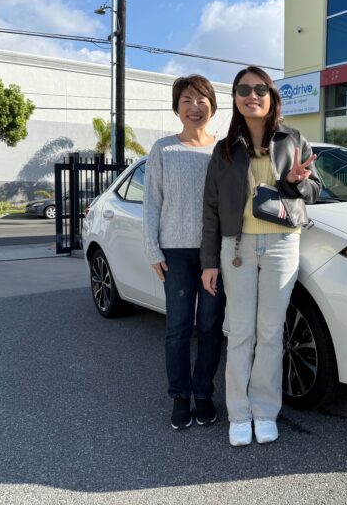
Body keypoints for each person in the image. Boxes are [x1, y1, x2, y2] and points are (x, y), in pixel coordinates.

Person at [200, 66, 320, 447]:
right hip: (237, 248)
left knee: (270, 332)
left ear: (271, 97)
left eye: (260, 89)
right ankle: (238, 413)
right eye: (243, 89)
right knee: (240, 333)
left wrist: (297, 182)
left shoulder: (293, 139)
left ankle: (264, 411)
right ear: (235, 98)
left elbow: (315, 191)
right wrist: (208, 261)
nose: (252, 95)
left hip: (282, 244)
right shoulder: (224, 150)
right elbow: (211, 208)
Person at [143, 75, 226, 430]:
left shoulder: (223, 150)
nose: (195, 107)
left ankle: (203, 393)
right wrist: (152, 249)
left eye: (201, 100)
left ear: (212, 106)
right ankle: (180, 395)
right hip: (175, 253)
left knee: (210, 327)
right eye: (187, 100)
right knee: (177, 327)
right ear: (177, 107)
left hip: (214, 255)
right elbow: (152, 202)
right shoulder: (163, 149)